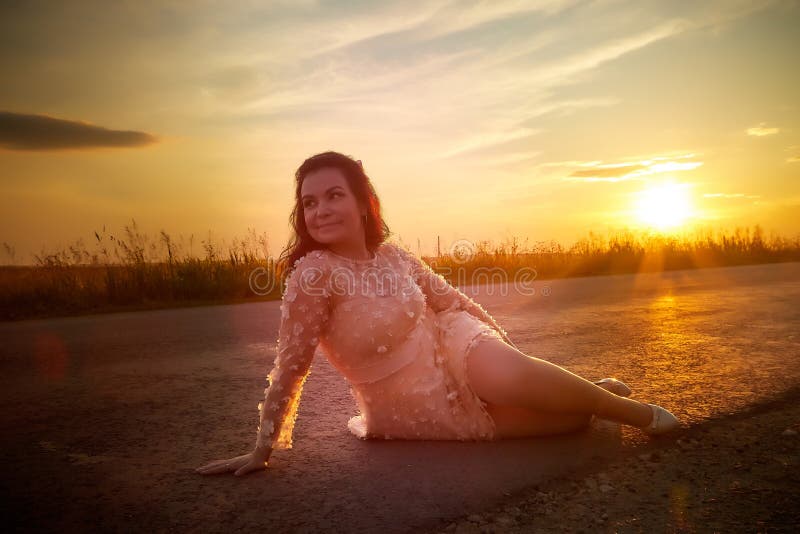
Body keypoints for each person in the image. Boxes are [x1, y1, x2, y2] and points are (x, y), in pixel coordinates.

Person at [196, 151, 680, 477]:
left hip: (453, 341)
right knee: (565, 424)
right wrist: (263, 447)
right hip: (409, 402)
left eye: (334, 195)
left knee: (508, 377)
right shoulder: (312, 276)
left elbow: (451, 302)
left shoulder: (395, 257)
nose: (319, 210)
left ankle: (635, 413)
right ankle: (585, 396)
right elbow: (290, 365)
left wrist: (506, 351)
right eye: (308, 202)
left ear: (364, 205)